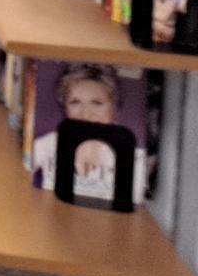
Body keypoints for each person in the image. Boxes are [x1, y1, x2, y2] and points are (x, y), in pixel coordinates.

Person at [31, 63, 144, 205]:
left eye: (96, 103)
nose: (85, 113)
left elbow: (135, 205)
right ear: (65, 109)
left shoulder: (133, 156)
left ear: (114, 109)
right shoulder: (50, 143)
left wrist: (93, 144)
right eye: (75, 102)